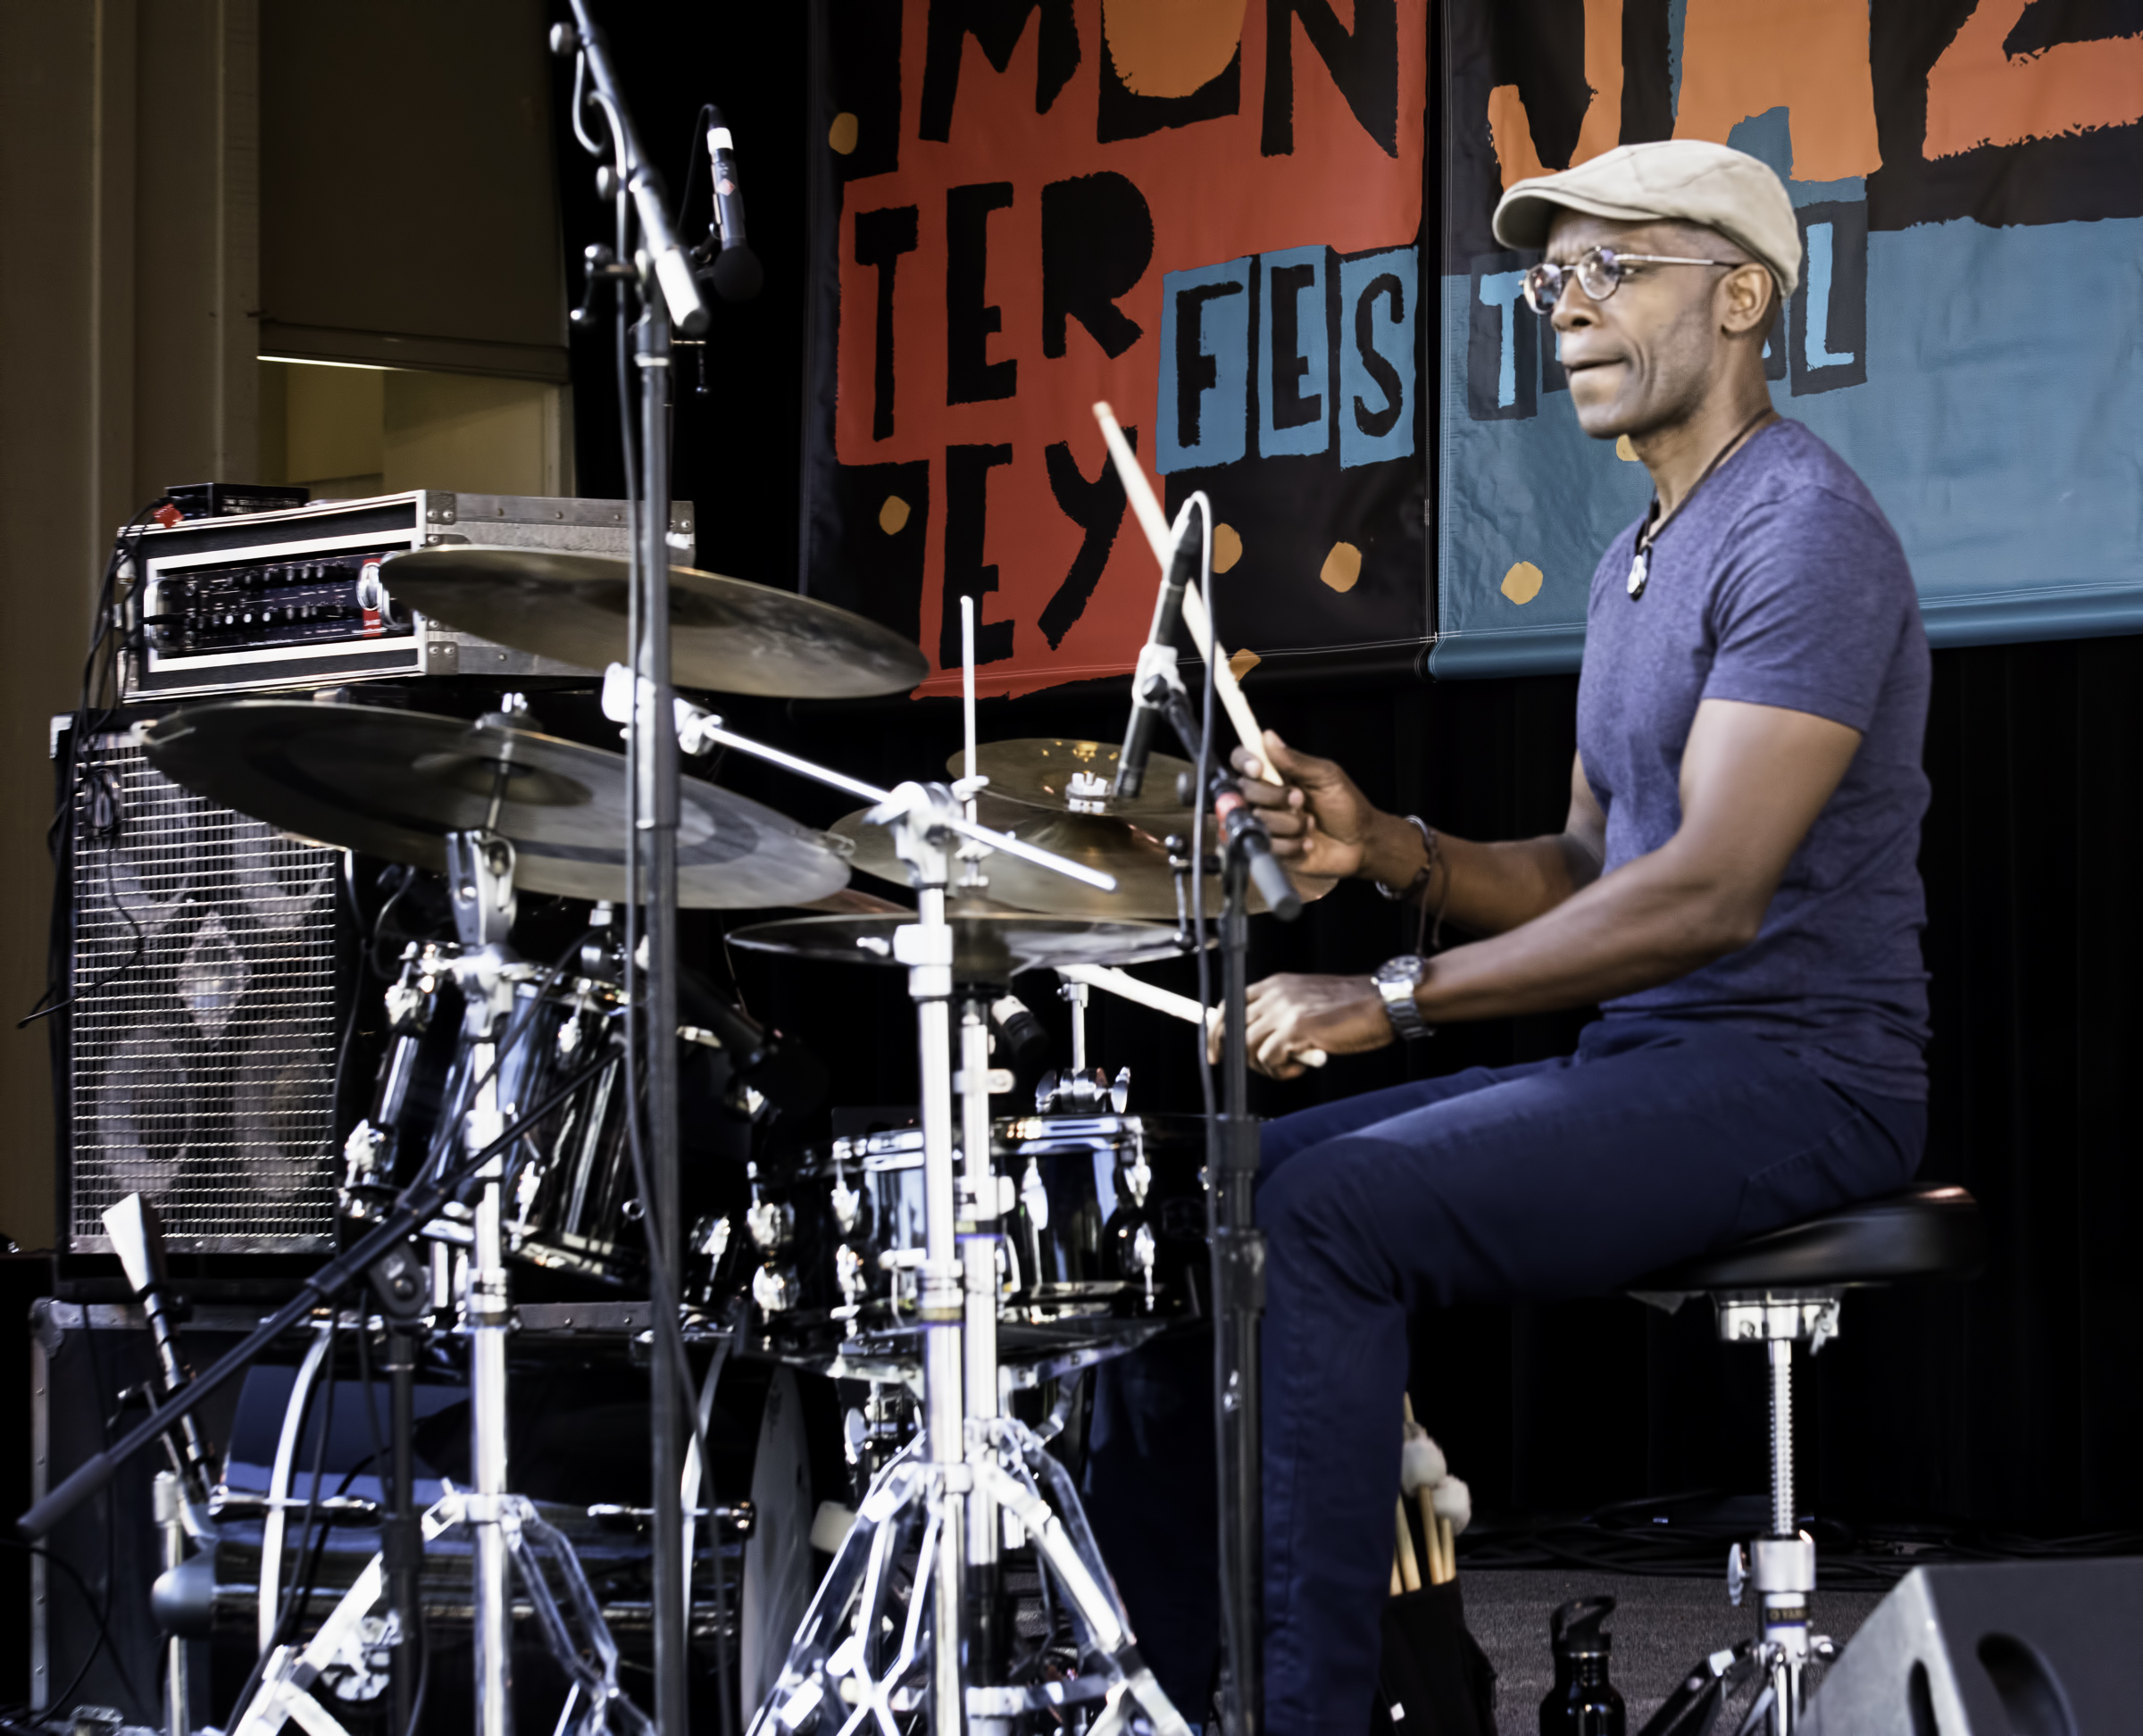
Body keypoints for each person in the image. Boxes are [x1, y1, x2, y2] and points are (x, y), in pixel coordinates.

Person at [1081, 140, 1933, 1731]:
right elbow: (1588, 865)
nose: (1567, 310)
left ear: (1743, 295)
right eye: (1555, 279)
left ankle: (1303, 1710)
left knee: (1323, 1217)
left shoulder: (1803, 532)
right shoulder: (1637, 561)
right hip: (1665, 1057)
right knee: (1224, 1185)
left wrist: (1390, 997)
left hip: (1805, 1081)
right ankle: (1160, 1682)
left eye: (1616, 269)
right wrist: (1380, 849)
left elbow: (1706, 897)